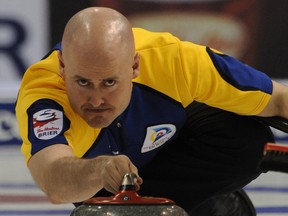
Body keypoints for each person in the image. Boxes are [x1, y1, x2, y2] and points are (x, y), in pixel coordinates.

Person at [15, 7, 288, 215]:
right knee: (83, 183)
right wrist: (99, 169)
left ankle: (204, 202)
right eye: (83, 82)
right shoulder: (44, 92)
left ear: (134, 66)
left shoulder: (175, 60)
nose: (96, 100)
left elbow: (279, 100)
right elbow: (53, 178)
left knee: (253, 142)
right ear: (63, 67)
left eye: (110, 82)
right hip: (102, 182)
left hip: (174, 146)